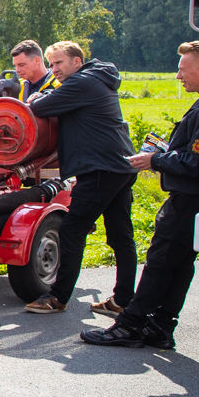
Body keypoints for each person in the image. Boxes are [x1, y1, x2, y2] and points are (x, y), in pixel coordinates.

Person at [82, 41, 199, 349]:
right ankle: (160, 326)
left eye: (182, 70)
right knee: (180, 264)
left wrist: (155, 160)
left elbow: (198, 162)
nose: (177, 76)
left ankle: (129, 326)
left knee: (161, 261)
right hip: (197, 197)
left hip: (190, 198)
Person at [23, 40, 138, 314]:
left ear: (77, 61)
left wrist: (37, 97)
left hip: (99, 169)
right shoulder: (98, 79)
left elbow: (41, 107)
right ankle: (123, 300)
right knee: (121, 236)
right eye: (51, 64)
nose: (54, 70)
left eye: (59, 63)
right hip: (120, 165)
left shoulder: (82, 83)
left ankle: (57, 297)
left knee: (72, 230)